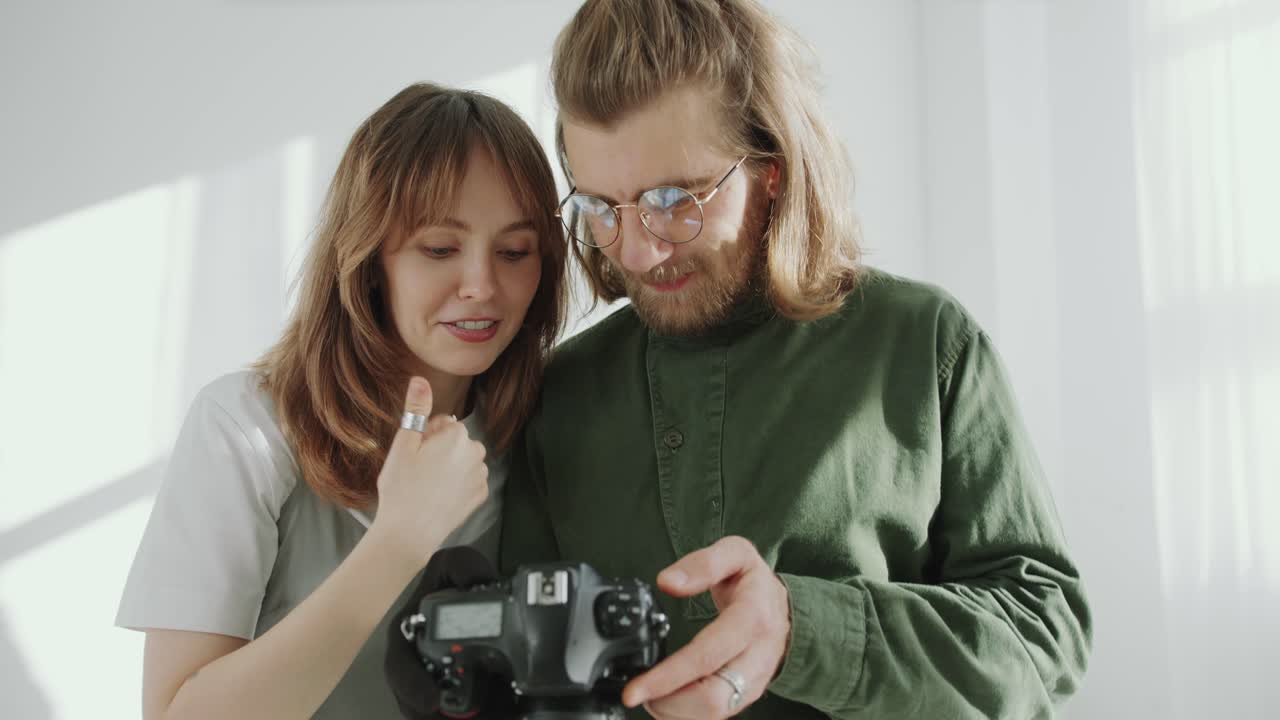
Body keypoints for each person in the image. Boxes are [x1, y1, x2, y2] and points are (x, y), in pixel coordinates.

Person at [386, 2, 1093, 719]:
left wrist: (800, 630)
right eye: (603, 206)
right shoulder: (556, 394)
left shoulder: (925, 346)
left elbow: (1046, 640)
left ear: (773, 169)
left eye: (673, 200)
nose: (635, 250)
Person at [115, 82, 568, 719]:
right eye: (439, 248)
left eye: (514, 252)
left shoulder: (545, 430)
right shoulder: (244, 429)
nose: (482, 285)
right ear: (368, 258)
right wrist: (399, 542)